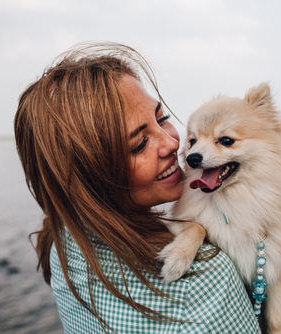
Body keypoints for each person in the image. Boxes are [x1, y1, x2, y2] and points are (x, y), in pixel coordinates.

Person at [14, 42, 261, 334]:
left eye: (162, 119)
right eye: (139, 144)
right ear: (89, 179)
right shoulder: (204, 279)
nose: (173, 144)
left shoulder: (61, 239)